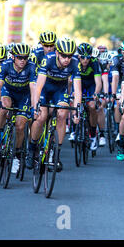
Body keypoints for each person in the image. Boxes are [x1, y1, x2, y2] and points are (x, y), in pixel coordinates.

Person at [26, 38, 82, 171]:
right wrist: (35, 106)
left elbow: (78, 90)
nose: (67, 59)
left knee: (63, 113)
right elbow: (38, 86)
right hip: (45, 88)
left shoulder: (75, 63)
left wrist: (77, 111)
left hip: (60, 90)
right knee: (41, 116)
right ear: (57, 53)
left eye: (69, 56)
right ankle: (32, 148)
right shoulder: (48, 59)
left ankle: (55, 153)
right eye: (63, 55)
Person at [0, 43, 36, 174]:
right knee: (4, 108)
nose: (23, 60)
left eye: (25, 57)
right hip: (8, 92)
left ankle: (16, 156)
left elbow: (34, 88)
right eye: (19, 57)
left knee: (20, 126)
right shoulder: (5, 65)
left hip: (24, 96)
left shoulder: (32, 67)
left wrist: (34, 106)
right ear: (13, 57)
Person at [69, 43, 102, 151]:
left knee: (92, 106)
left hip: (91, 85)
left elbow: (98, 82)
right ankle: (73, 130)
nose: (85, 60)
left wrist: (96, 94)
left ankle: (92, 136)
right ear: (79, 56)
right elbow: (69, 80)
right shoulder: (74, 62)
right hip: (78, 84)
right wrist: (71, 93)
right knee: (73, 101)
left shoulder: (94, 62)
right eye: (83, 57)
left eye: (88, 57)